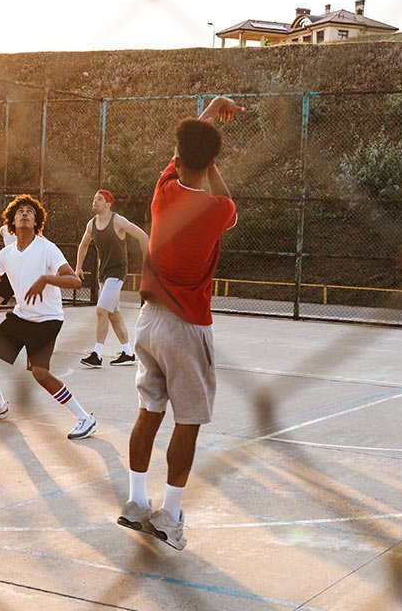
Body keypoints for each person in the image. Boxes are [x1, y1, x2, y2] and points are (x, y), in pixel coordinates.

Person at [116, 96, 243, 550]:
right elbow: (227, 200)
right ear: (210, 162)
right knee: (187, 420)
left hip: (148, 321)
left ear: (179, 155)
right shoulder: (216, 211)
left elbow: (181, 155)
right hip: (188, 326)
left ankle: (136, 502)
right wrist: (210, 157)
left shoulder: (163, 192)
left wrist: (207, 114)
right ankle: (169, 515)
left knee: (149, 411)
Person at [0, 194, 98, 440]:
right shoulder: (7, 254)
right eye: (20, 211)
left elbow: (75, 281)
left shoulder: (47, 248)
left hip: (47, 319)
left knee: (40, 374)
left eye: (30, 211)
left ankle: (85, 418)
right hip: (21, 317)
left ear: (36, 221)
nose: (25, 214)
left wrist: (47, 279)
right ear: (12, 221)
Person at [74, 190, 148, 368]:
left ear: (108, 204)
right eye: (94, 199)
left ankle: (97, 355)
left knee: (101, 310)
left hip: (117, 271)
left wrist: (148, 264)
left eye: (99, 199)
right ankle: (128, 353)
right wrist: (78, 267)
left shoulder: (118, 221)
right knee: (113, 314)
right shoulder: (91, 224)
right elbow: (84, 245)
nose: (95, 201)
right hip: (104, 273)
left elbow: (143, 236)